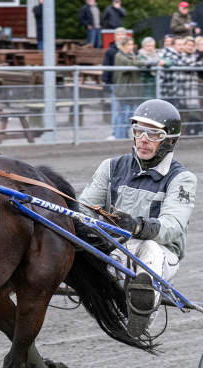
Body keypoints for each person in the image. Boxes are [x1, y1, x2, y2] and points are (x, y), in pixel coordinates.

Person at [78, 100, 196, 337]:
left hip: (161, 256)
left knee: (150, 247)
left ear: (169, 140)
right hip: (118, 249)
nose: (142, 139)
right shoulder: (110, 167)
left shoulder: (183, 179)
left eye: (153, 134)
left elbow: (172, 225)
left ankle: (143, 313)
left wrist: (138, 225)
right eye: (138, 131)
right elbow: (84, 212)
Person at [113, 37, 152, 139]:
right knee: (123, 118)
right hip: (124, 92)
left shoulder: (133, 55)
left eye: (132, 44)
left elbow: (138, 61)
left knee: (132, 119)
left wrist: (147, 62)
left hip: (134, 92)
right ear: (123, 46)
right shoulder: (119, 56)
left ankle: (125, 138)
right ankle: (119, 138)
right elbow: (129, 64)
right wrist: (145, 63)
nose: (131, 47)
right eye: (129, 44)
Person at [102, 27, 127, 139]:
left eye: (123, 34)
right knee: (116, 109)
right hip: (115, 83)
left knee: (127, 110)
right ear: (115, 37)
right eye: (119, 34)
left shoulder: (130, 50)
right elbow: (106, 67)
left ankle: (124, 132)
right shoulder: (111, 50)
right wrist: (106, 82)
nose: (121, 36)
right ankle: (114, 132)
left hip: (127, 84)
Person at [158, 36, 184, 109]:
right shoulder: (170, 53)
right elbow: (175, 62)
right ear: (172, 45)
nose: (182, 47)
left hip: (175, 91)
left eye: (182, 44)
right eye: (179, 45)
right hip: (168, 91)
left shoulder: (180, 54)